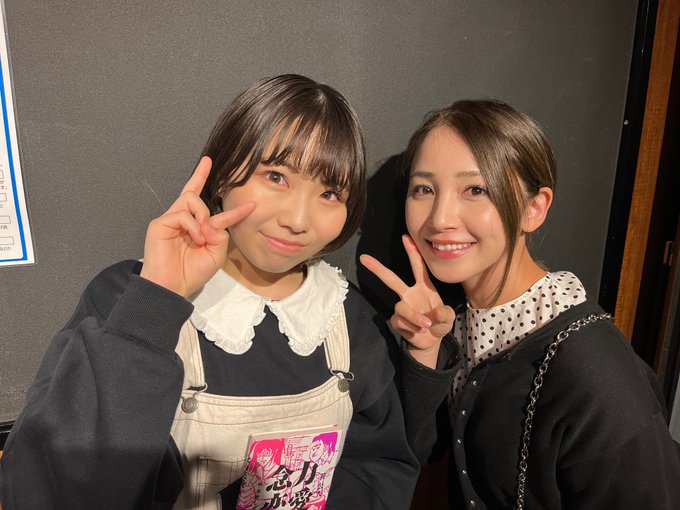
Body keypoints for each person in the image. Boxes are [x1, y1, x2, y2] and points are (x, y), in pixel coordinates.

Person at [0, 74, 418, 509]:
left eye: (330, 193)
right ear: (222, 176)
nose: (298, 220)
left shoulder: (347, 316)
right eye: (276, 176)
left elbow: (379, 467)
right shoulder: (125, 299)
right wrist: (155, 306)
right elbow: (51, 489)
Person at [360, 99, 680, 509]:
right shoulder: (460, 321)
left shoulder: (593, 369)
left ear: (533, 208)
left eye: (476, 190)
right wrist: (424, 350)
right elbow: (416, 450)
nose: (439, 218)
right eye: (423, 189)